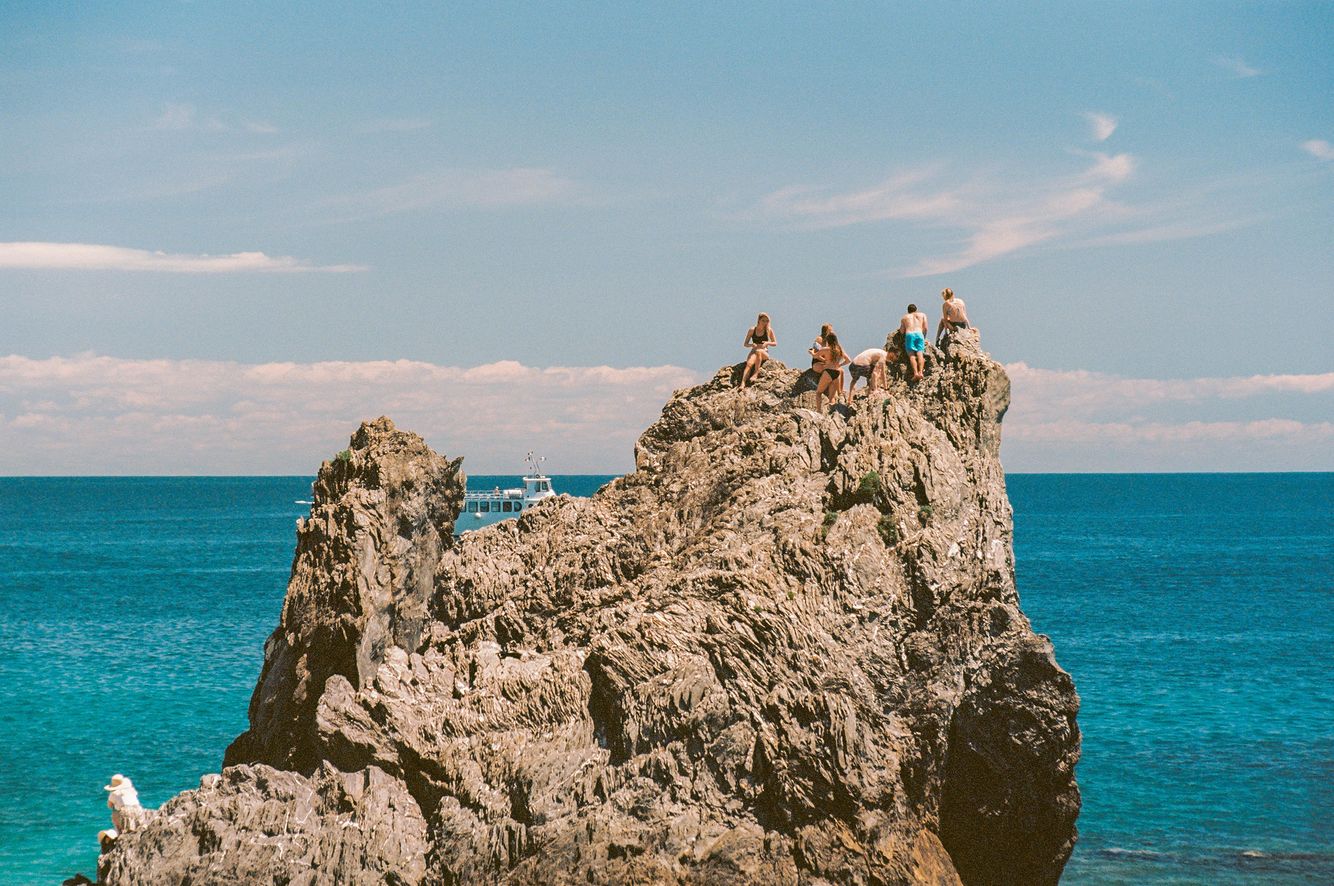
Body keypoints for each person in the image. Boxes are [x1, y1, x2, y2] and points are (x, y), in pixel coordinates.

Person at [814, 331, 849, 411]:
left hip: (828, 372)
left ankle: (819, 411)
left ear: (828, 341)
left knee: (819, 393)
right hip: (837, 373)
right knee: (831, 397)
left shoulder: (826, 349)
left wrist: (811, 352)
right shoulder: (839, 350)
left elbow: (816, 356)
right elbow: (848, 360)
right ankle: (832, 414)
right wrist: (840, 365)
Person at [739, 312, 776, 388]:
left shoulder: (768, 330)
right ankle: (743, 383)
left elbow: (775, 343)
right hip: (754, 351)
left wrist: (767, 343)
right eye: (763, 320)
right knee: (749, 364)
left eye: (766, 321)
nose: (765, 323)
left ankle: (756, 373)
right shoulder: (752, 330)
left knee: (759, 351)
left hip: (764, 352)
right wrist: (751, 345)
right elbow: (745, 344)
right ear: (759, 320)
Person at [898, 303, 930, 382]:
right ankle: (921, 372)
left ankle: (915, 373)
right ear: (916, 310)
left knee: (911, 355)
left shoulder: (904, 317)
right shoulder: (922, 315)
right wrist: (924, 337)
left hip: (909, 334)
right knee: (920, 353)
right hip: (919, 334)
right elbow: (925, 328)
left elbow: (902, 331)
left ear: (908, 311)